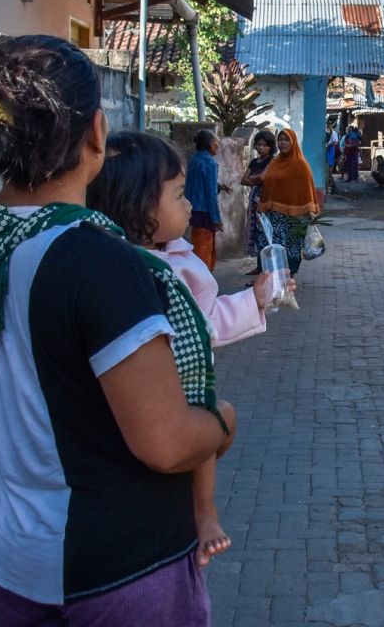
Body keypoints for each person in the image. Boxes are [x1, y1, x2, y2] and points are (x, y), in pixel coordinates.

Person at [0, 36, 230, 624]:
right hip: (116, 565)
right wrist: (223, 424)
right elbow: (165, 444)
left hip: (8, 554)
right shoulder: (102, 263)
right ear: (96, 133)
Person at [87, 131, 288, 570]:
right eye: (178, 196)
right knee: (201, 432)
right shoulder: (138, 271)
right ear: (140, 208)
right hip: (165, 397)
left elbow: (205, 319)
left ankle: (204, 512)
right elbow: (204, 324)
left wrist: (253, 299)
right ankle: (205, 513)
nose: (188, 205)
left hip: (184, 395)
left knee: (199, 440)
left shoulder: (174, 256)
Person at [256, 129, 320, 275]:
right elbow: (268, 186)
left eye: (286, 140)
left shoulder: (301, 164)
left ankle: (288, 279)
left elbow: (306, 189)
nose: (282, 143)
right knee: (275, 247)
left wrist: (311, 212)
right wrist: (262, 210)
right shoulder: (274, 162)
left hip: (295, 218)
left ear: (293, 142)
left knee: (292, 249)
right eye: (280, 140)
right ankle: (275, 279)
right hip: (275, 216)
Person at [185, 129, 230, 271]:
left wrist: (219, 187)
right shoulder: (209, 162)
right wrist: (216, 219)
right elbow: (210, 194)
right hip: (205, 210)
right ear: (211, 144)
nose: (218, 146)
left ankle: (198, 274)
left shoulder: (194, 159)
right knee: (205, 247)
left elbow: (198, 184)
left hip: (194, 208)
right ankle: (203, 278)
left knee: (197, 243)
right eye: (217, 143)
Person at [241, 130, 276, 273]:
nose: (261, 147)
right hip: (254, 200)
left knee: (265, 232)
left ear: (270, 147)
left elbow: (262, 178)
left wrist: (254, 179)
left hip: (266, 200)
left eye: (265, 145)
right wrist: (257, 179)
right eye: (259, 144)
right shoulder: (254, 161)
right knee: (255, 231)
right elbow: (243, 180)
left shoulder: (273, 160)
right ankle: (259, 265)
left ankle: (266, 268)